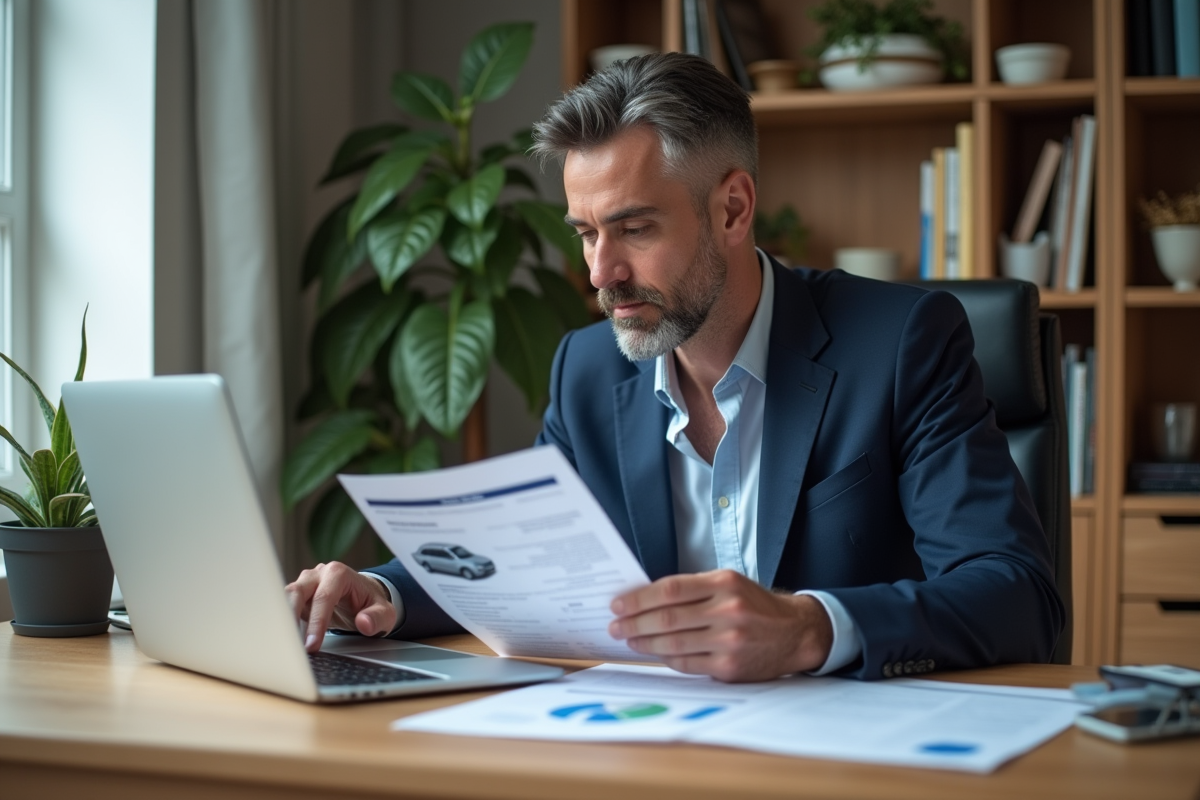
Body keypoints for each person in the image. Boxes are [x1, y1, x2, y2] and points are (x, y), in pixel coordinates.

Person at [287, 52, 1064, 682]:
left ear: (732, 209)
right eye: (586, 233)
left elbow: (1018, 594)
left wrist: (808, 627)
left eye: (632, 228)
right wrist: (380, 588)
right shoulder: (587, 368)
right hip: (657, 748)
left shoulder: (901, 343)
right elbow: (517, 563)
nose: (601, 273)